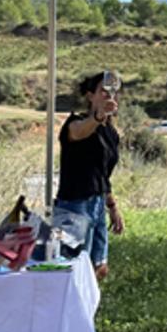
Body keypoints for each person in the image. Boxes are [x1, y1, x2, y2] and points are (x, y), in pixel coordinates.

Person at [54, 71, 125, 281]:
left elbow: (103, 174)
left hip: (97, 204)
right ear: (90, 95)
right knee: (71, 270)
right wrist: (99, 116)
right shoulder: (75, 123)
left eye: (113, 92)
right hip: (74, 206)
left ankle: (86, 311)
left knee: (99, 268)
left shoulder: (111, 134)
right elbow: (79, 132)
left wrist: (112, 206)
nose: (109, 96)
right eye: (103, 91)